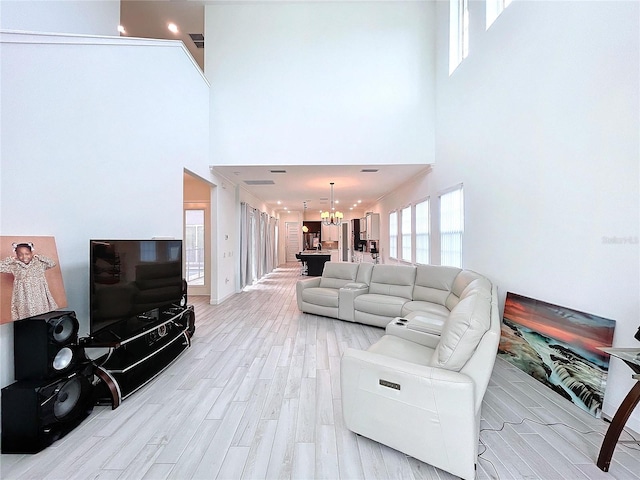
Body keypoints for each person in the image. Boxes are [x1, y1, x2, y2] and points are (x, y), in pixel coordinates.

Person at [0, 242, 59, 320]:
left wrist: (39, 257)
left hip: (39, 294)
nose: (24, 257)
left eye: (27, 254)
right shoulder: (15, 266)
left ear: (31, 253)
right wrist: (11, 259)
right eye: (20, 254)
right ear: (16, 255)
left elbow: (52, 263)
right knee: (27, 315)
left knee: (41, 313)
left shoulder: (39, 263)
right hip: (23, 296)